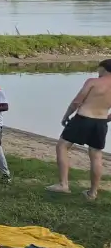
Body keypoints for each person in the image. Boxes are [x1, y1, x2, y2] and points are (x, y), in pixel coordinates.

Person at [47, 58, 111, 199]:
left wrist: (66, 116)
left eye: (99, 69)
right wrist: (106, 118)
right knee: (96, 155)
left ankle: (63, 184)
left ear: (104, 69)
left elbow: (77, 101)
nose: (97, 72)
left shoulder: (92, 82)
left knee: (62, 146)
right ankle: (92, 193)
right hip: (100, 122)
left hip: (83, 118)